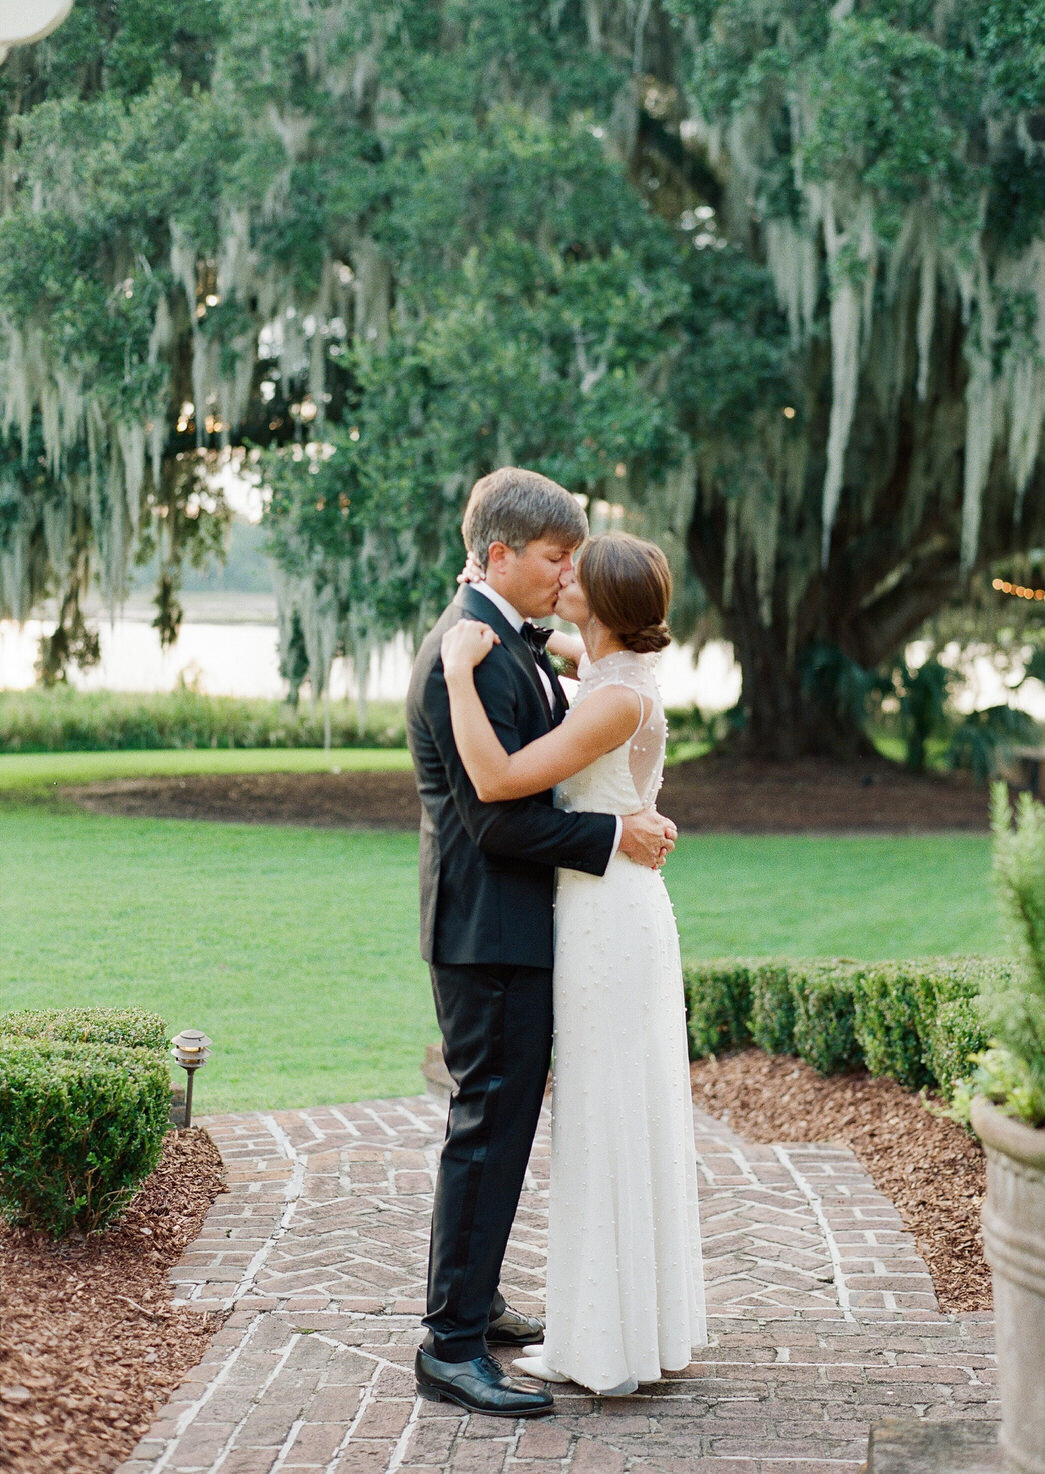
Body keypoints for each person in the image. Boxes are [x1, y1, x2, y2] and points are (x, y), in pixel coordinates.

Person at [405, 468, 678, 1418]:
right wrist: (614, 836)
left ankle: (471, 1305)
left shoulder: (508, 645)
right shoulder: (468, 654)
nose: (566, 577)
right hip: (489, 934)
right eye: (557, 558)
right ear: (499, 556)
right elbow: (494, 823)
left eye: (574, 562)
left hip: (520, 928)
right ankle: (448, 1344)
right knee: (488, 1131)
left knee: (504, 1127)